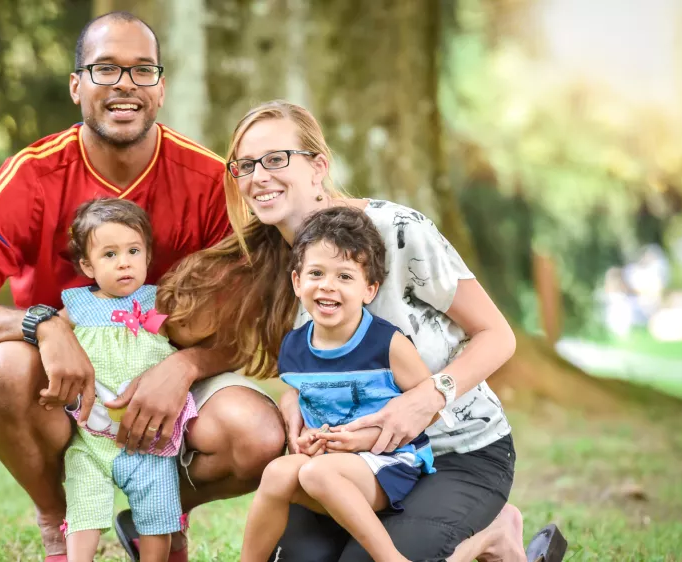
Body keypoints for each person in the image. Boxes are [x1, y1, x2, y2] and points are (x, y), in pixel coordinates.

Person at [0, 12, 284, 562]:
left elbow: (248, 321)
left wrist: (184, 366)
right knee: (4, 371)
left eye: (142, 71)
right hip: (60, 383)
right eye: (106, 69)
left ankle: (157, 512)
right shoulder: (32, 175)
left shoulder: (211, 181)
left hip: (166, 380)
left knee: (257, 438)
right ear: (76, 86)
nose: (125, 85)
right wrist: (44, 326)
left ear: (161, 88)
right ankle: (57, 518)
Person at [158, 100, 567, 561]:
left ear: (318, 167)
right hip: (349, 465)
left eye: (275, 159)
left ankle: (491, 533)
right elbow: (318, 360)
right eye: (246, 165)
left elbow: (498, 335)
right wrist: (294, 400)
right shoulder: (275, 267)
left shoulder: (397, 231)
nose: (259, 176)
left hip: (454, 454)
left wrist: (426, 398)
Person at [241, 206, 441, 562]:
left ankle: (391, 559)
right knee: (277, 473)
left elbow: (429, 407)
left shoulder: (388, 345)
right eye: (316, 273)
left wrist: (364, 439)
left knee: (316, 473)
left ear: (369, 289)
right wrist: (308, 434)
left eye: (345, 276)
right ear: (297, 282)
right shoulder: (294, 347)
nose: (327, 285)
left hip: (390, 462)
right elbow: (305, 397)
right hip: (330, 462)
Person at [58, 198, 195, 562]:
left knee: (158, 508)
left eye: (133, 251)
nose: (124, 262)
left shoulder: (159, 301)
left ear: (147, 256)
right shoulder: (77, 307)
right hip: (90, 436)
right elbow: (52, 342)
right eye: (109, 254)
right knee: (84, 503)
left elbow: (190, 337)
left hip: (148, 435)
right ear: (87, 265)